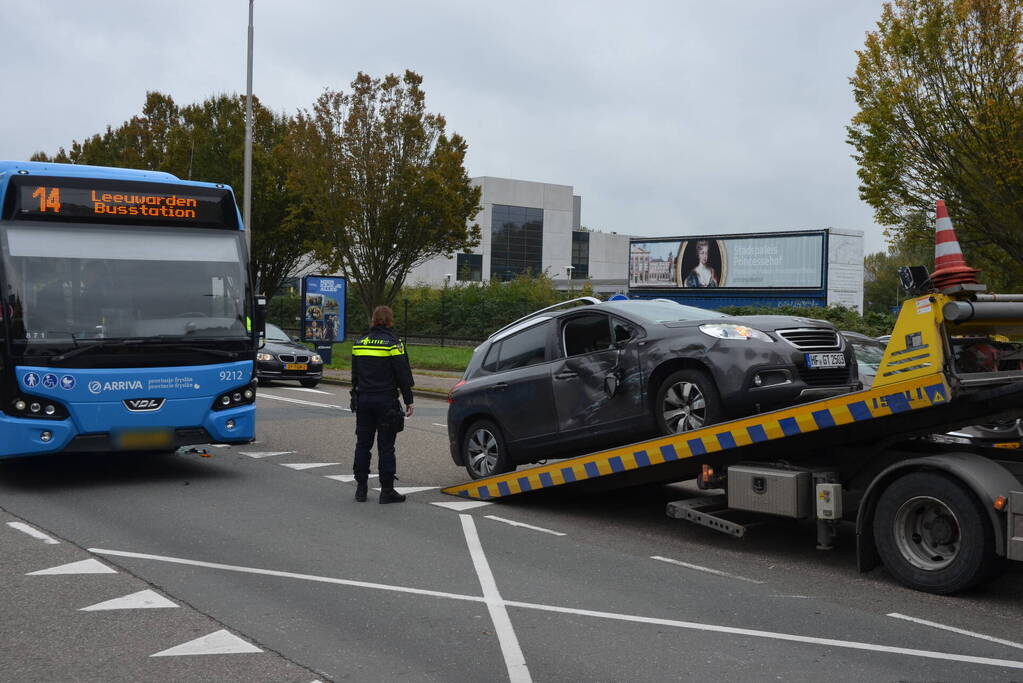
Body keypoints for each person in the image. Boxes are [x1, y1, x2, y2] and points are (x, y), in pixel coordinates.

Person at [350, 305, 415, 503]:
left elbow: (355, 375)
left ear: (373, 320)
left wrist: (355, 395)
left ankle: (361, 489)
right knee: (386, 447)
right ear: (390, 320)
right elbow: (402, 374)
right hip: (385, 401)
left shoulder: (359, 342)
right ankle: (387, 491)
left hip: (364, 399)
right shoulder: (394, 343)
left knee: (363, 445)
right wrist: (408, 399)